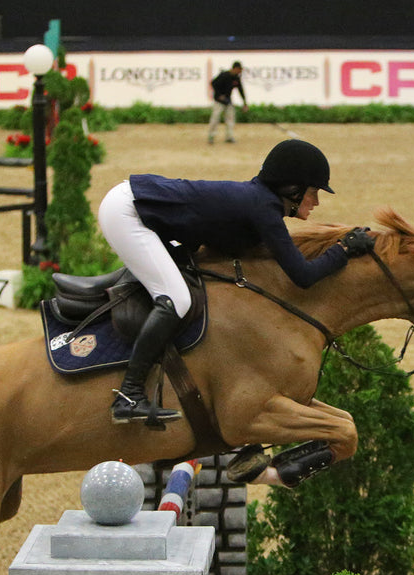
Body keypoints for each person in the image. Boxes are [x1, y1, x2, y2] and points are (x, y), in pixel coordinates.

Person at [97, 139, 376, 425]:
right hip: (128, 213)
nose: (316, 201)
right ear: (292, 188)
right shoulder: (263, 208)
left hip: (137, 207)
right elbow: (303, 276)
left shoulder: (260, 202)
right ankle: (128, 397)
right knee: (177, 298)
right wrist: (343, 250)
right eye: (313, 191)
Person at [208, 61, 248, 144]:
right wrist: (219, 95)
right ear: (235, 68)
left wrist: (244, 102)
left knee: (230, 119)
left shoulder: (236, 78)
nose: (240, 71)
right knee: (215, 118)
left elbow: (241, 90)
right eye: (239, 69)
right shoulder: (224, 75)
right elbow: (213, 83)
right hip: (219, 101)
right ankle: (211, 136)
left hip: (228, 100)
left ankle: (229, 137)